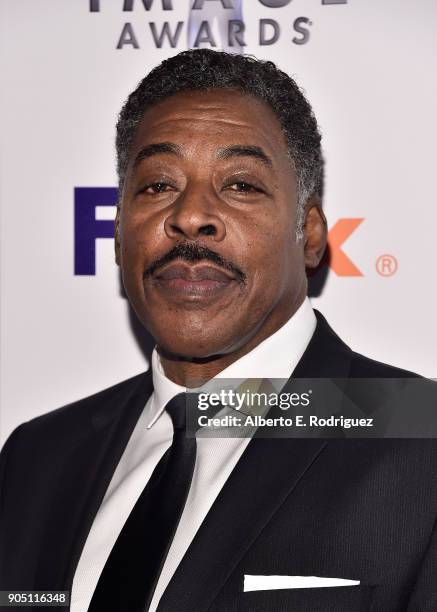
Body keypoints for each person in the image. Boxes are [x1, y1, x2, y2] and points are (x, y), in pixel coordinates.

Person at [0, 49, 435, 612]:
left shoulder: (420, 441)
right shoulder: (37, 457)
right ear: (116, 232)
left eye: (241, 185)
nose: (190, 214)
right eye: (157, 185)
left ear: (309, 234)